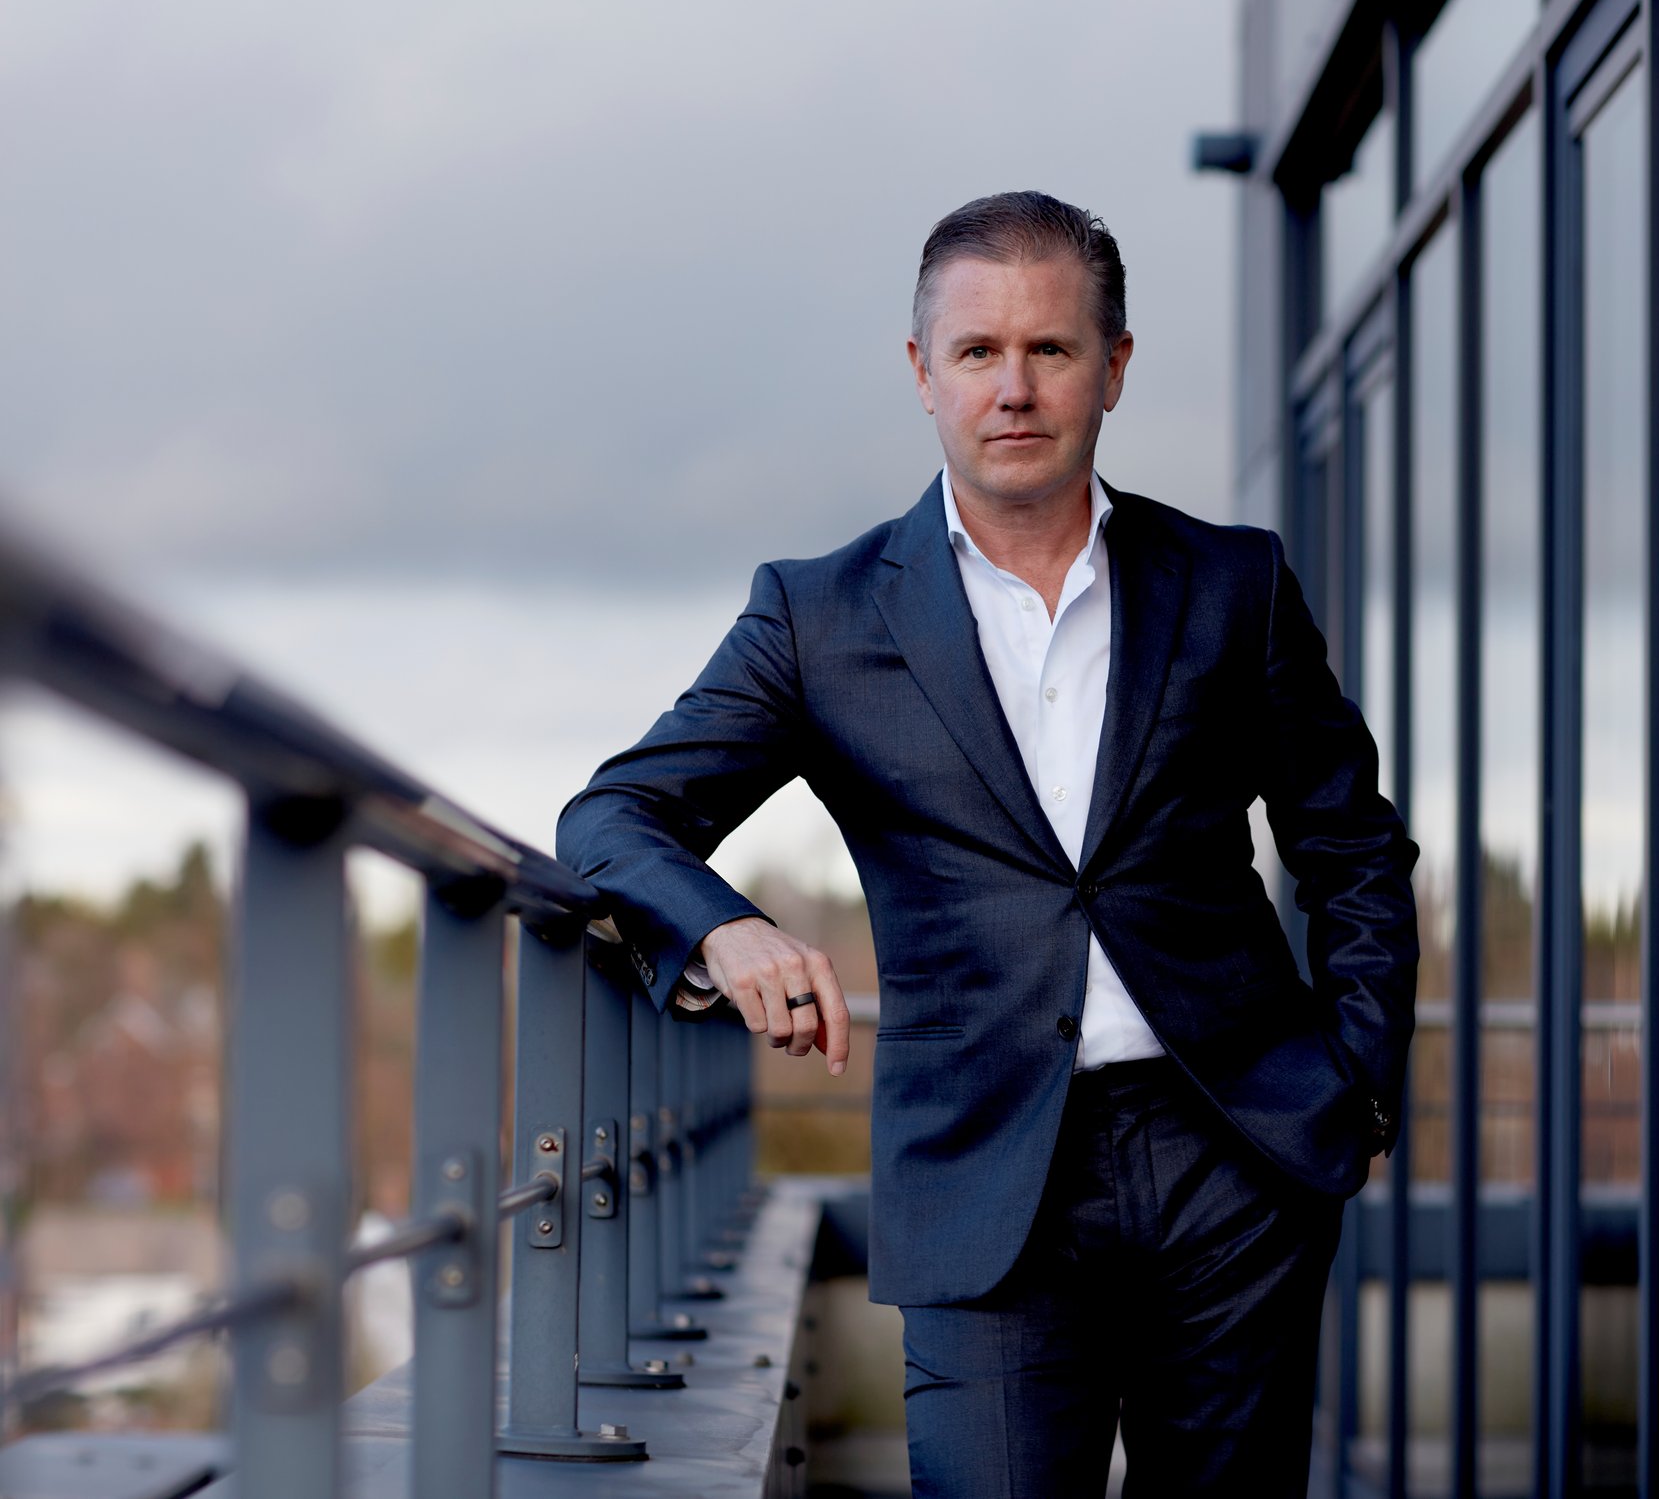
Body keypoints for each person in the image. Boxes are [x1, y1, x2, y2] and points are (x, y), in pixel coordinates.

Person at [557, 190, 1418, 1497]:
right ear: (923, 373)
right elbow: (612, 818)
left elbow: (1352, 848)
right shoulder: (820, 616)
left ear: (1113, 367)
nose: (1013, 389)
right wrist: (725, 927)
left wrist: (1354, 1081)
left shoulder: (1232, 585)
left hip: (1236, 1158)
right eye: (977, 353)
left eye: (1050, 350)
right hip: (984, 1178)